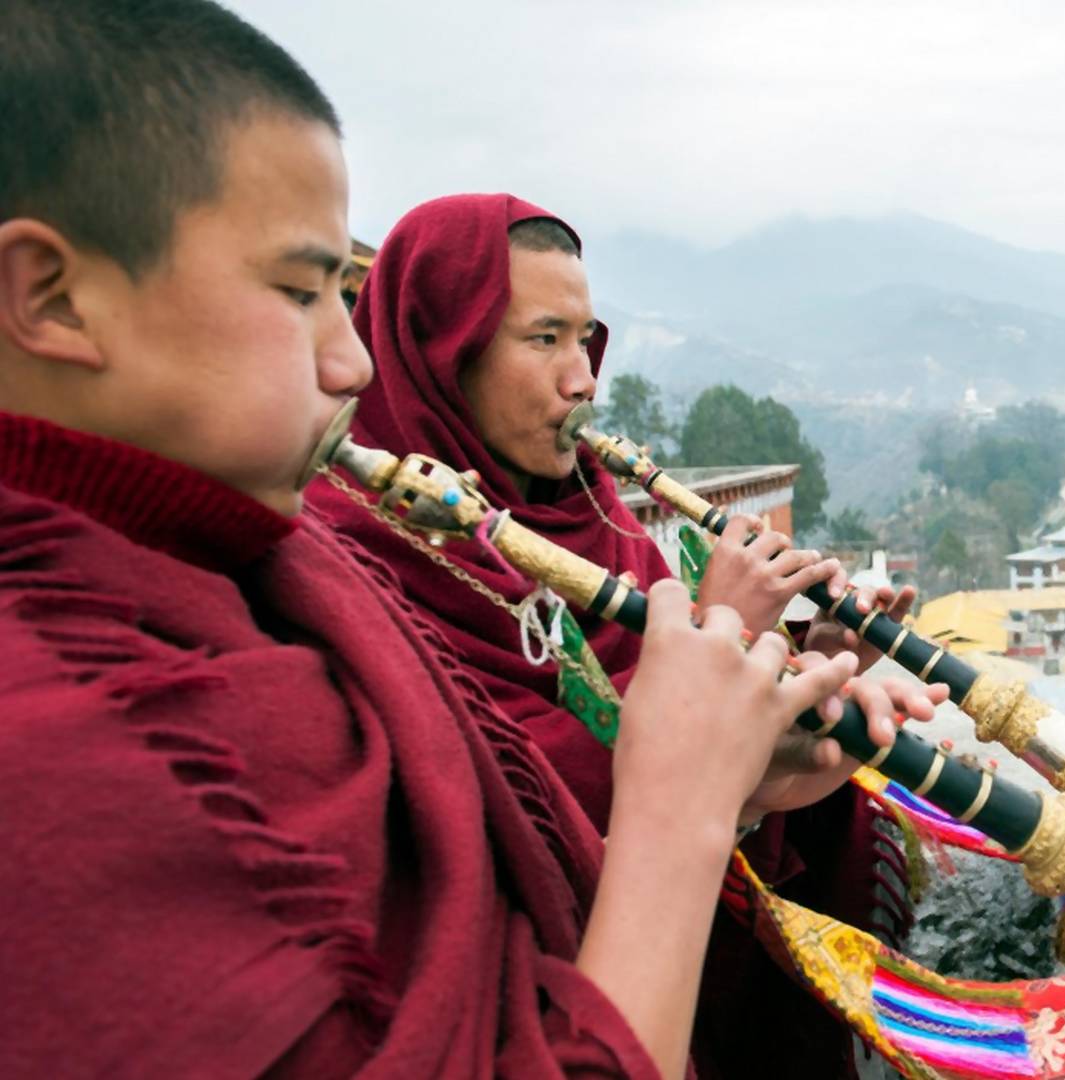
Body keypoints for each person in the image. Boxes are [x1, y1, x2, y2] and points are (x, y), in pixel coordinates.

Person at [0, 2, 922, 1075]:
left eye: (591, 342)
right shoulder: (66, 743)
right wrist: (681, 794)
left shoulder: (257, 568)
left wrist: (761, 759)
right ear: (51, 297)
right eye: (301, 292)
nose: (350, 366)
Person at [309, 193, 932, 1078]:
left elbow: (685, 732)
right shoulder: (359, 546)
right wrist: (726, 631)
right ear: (439, 349)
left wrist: (819, 663)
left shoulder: (598, 521)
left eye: (586, 342)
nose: (583, 382)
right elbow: (506, 807)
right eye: (543, 339)